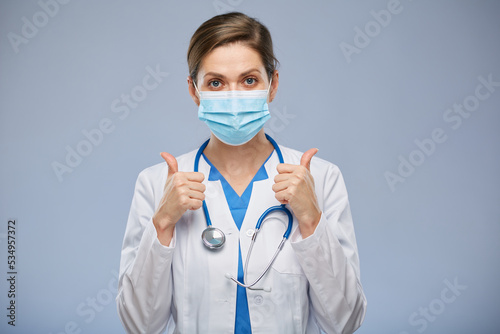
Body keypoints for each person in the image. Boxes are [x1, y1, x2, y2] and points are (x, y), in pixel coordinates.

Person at [116, 12, 366, 334]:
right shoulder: (155, 185)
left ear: (272, 85)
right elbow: (139, 325)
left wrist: (311, 221)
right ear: (195, 92)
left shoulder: (321, 179)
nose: (233, 96)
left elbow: (345, 322)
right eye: (216, 83)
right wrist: (162, 224)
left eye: (249, 80)